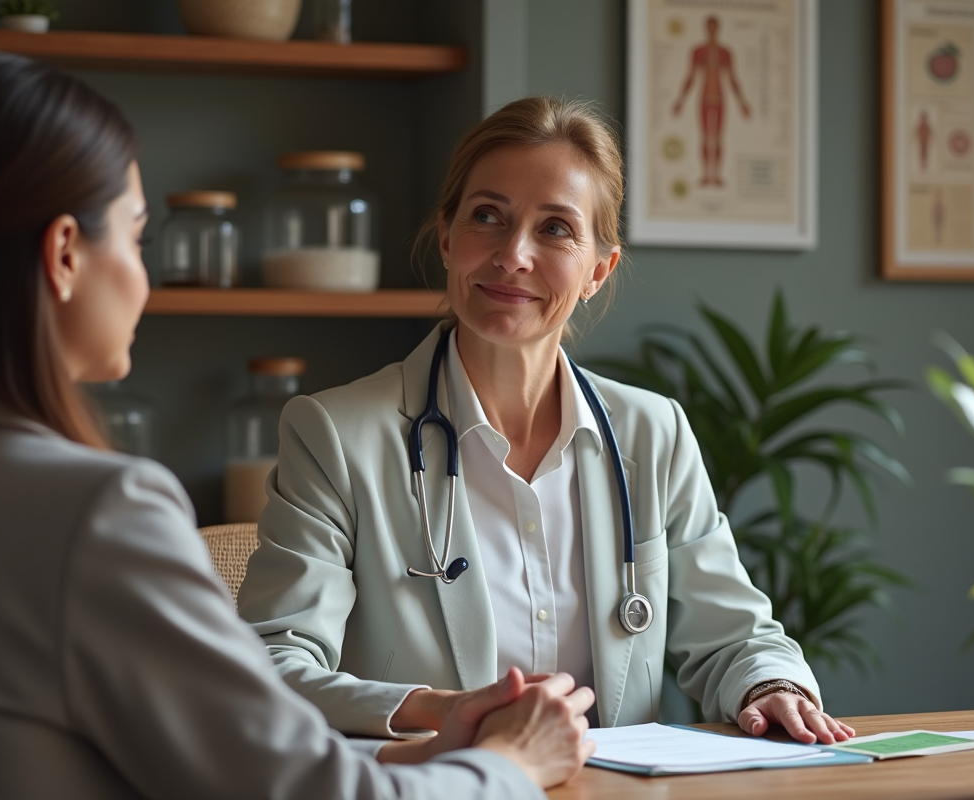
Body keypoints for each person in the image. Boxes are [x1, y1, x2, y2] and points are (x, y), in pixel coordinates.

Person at [0, 54, 594, 799]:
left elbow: (230, 768)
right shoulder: (98, 513)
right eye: (138, 239)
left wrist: (422, 756)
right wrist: (512, 764)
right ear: (65, 253)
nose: (145, 277)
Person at [239, 96, 855, 759]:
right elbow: (268, 665)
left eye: (555, 229)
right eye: (487, 218)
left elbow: (735, 635)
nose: (513, 255)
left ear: (598, 269)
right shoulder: (334, 434)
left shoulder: (654, 434)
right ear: (446, 238)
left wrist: (770, 686)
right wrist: (443, 711)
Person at [670, 15, 750, 187]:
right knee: (705, 138)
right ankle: (706, 174)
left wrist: (742, 102)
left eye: (714, 27)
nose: (712, 30)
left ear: (717, 28)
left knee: (718, 138)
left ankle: (717, 175)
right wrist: (680, 101)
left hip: (720, 99)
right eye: (709, 27)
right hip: (704, 99)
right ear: (706, 28)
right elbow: (690, 77)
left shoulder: (725, 52)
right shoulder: (698, 51)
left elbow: (732, 79)